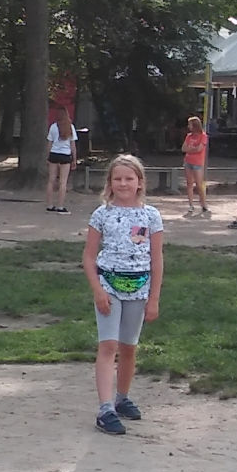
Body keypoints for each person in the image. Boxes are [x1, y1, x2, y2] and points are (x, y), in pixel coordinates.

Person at [83, 156, 165, 435]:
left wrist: (154, 298)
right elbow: (89, 256)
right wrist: (98, 290)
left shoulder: (151, 216)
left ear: (139, 182)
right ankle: (105, 408)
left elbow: (157, 259)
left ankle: (122, 398)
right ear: (110, 183)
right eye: (117, 178)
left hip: (139, 288)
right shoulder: (101, 214)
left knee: (129, 347)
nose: (123, 183)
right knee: (108, 345)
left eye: (129, 178)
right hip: (109, 285)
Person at [46, 106, 76, 213]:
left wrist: (48, 156)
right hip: (65, 155)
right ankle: (60, 206)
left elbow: (49, 143)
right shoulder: (70, 127)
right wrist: (74, 159)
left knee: (51, 180)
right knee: (63, 182)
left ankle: (50, 205)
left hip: (54, 154)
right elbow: (73, 145)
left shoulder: (53, 127)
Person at [182, 115, 211, 218]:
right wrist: (192, 149)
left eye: (190, 124)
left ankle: (203, 204)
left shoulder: (203, 136)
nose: (188, 126)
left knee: (199, 184)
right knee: (189, 183)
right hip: (188, 161)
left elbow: (199, 149)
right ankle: (191, 205)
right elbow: (183, 148)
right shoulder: (189, 136)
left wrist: (190, 149)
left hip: (198, 163)